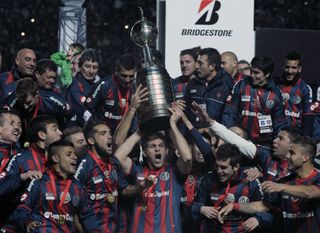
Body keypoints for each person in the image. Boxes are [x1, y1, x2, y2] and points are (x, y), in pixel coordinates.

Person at [114, 103, 192, 233]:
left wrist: (172, 125)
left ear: (167, 151)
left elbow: (188, 158)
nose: (157, 149)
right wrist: (141, 130)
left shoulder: (174, 173)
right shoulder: (138, 171)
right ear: (144, 152)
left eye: (161, 145)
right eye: (152, 146)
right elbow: (118, 157)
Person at [218, 136, 320, 233]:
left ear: (305, 157)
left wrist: (281, 187)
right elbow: (263, 206)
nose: (287, 156)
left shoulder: (316, 179)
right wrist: (234, 206)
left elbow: (310, 192)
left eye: (292, 153)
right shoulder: (285, 181)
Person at [11, 140, 101, 233]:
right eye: (69, 154)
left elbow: (88, 215)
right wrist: (27, 222)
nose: (75, 157)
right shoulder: (39, 183)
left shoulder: (77, 187)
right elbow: (22, 209)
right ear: (56, 158)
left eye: (74, 154)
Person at [192, 143, 272, 233]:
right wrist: (201, 209)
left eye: (223, 167)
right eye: (217, 166)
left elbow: (268, 210)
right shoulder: (208, 179)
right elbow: (195, 205)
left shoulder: (251, 180)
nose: (218, 171)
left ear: (236, 167)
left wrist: (257, 219)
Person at [74, 120, 128, 232]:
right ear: (91, 140)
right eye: (103, 134)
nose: (109, 137)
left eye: (110, 133)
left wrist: (139, 187)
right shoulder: (84, 165)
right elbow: (71, 204)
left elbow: (124, 191)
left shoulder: (114, 163)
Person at [222, 55, 287, 146]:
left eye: (256, 73)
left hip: (264, 143)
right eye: (251, 71)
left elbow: (279, 122)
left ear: (267, 74)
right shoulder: (241, 85)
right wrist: (229, 131)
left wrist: (277, 140)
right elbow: (229, 112)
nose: (252, 75)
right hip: (240, 140)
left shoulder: (276, 93)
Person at [85, 53, 138, 133]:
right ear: (116, 71)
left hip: (126, 134)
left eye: (131, 76)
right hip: (105, 135)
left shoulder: (136, 88)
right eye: (124, 76)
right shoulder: (104, 85)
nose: (127, 80)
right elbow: (87, 109)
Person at [184, 47, 234, 127]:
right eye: (197, 63)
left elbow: (229, 116)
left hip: (217, 136)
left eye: (200, 63)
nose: (196, 66)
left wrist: (219, 134)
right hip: (194, 135)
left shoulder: (227, 84)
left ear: (212, 66)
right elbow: (186, 112)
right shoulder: (193, 83)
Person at [275, 51, 314, 136]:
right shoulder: (275, 85)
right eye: (287, 67)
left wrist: (304, 140)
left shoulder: (305, 88)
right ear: (283, 67)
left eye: (294, 68)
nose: (290, 71)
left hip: (295, 135)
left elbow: (308, 115)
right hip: (276, 133)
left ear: (299, 69)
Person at [66, 48, 100, 126]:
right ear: (80, 66)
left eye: (94, 67)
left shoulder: (99, 84)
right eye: (87, 66)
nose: (91, 71)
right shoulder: (74, 88)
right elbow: (86, 113)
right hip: (79, 131)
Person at [0, 109, 22, 227]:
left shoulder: (22, 154)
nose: (17, 128)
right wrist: (21, 177)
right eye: (12, 123)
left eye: (19, 124)